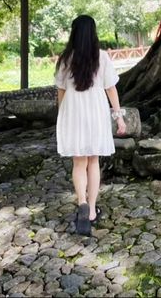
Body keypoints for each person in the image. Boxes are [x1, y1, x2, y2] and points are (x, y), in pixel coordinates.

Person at [55, 15, 127, 236]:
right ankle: (93, 210)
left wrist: (61, 115)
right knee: (93, 161)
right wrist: (119, 116)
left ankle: (82, 203)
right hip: (95, 113)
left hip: (73, 112)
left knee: (79, 163)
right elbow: (111, 89)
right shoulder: (102, 57)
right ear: (93, 33)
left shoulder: (66, 59)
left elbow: (61, 91)